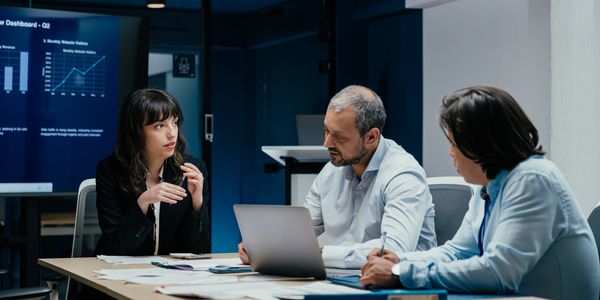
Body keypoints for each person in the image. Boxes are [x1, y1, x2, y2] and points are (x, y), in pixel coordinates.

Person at [360, 86, 600, 299]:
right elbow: (458, 252)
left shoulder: (533, 179)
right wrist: (399, 261)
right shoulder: (490, 186)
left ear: (480, 144)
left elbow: (498, 272)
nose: (450, 153)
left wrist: (402, 273)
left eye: (453, 143)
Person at [239, 85, 436, 269]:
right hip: (341, 281)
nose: (327, 143)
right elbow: (300, 231)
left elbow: (393, 250)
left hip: (398, 288)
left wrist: (323, 254)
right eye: (325, 131)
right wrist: (263, 246)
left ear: (371, 137)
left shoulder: (403, 175)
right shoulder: (331, 172)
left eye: (339, 137)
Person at [95, 88, 210, 255]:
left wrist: (197, 203)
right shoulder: (111, 170)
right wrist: (143, 203)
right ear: (136, 132)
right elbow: (115, 248)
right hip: (122, 274)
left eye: (174, 123)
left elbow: (198, 249)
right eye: (159, 126)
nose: (172, 133)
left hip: (171, 277)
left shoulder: (192, 170)